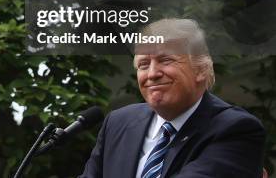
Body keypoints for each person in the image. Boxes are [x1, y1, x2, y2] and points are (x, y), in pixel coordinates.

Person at [79, 18, 266, 178]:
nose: (152, 74)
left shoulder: (235, 129)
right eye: (143, 64)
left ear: (200, 69)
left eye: (166, 60)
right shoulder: (118, 123)